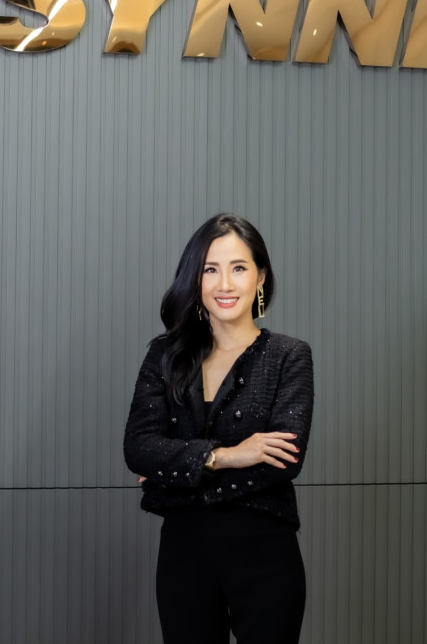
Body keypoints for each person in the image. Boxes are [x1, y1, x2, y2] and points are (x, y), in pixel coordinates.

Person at [124, 213, 314, 644]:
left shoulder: (289, 356)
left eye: (238, 268)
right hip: (184, 552)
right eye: (210, 269)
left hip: (265, 552)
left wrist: (174, 475)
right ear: (195, 279)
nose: (224, 284)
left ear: (260, 277)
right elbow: (138, 447)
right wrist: (225, 456)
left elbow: (284, 461)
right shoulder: (165, 355)